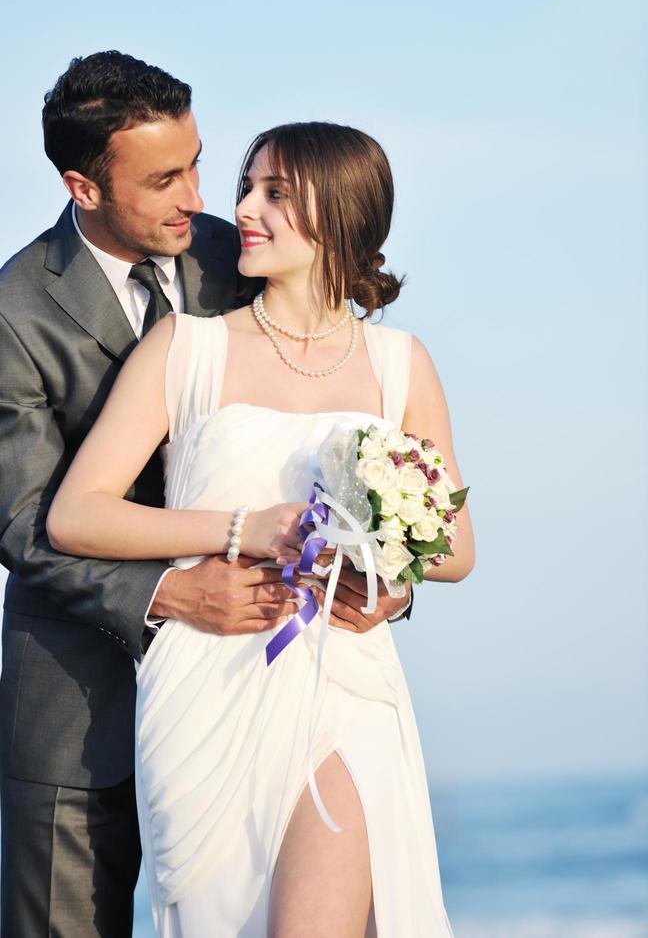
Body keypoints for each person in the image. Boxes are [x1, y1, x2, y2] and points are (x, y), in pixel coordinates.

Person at [0, 56, 409, 938]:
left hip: (261, 679)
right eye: (162, 179)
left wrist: (384, 570)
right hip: (80, 699)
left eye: (196, 164)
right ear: (83, 186)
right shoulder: (12, 312)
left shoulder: (240, 249)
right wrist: (170, 590)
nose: (197, 196)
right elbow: (26, 521)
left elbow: (347, 423)